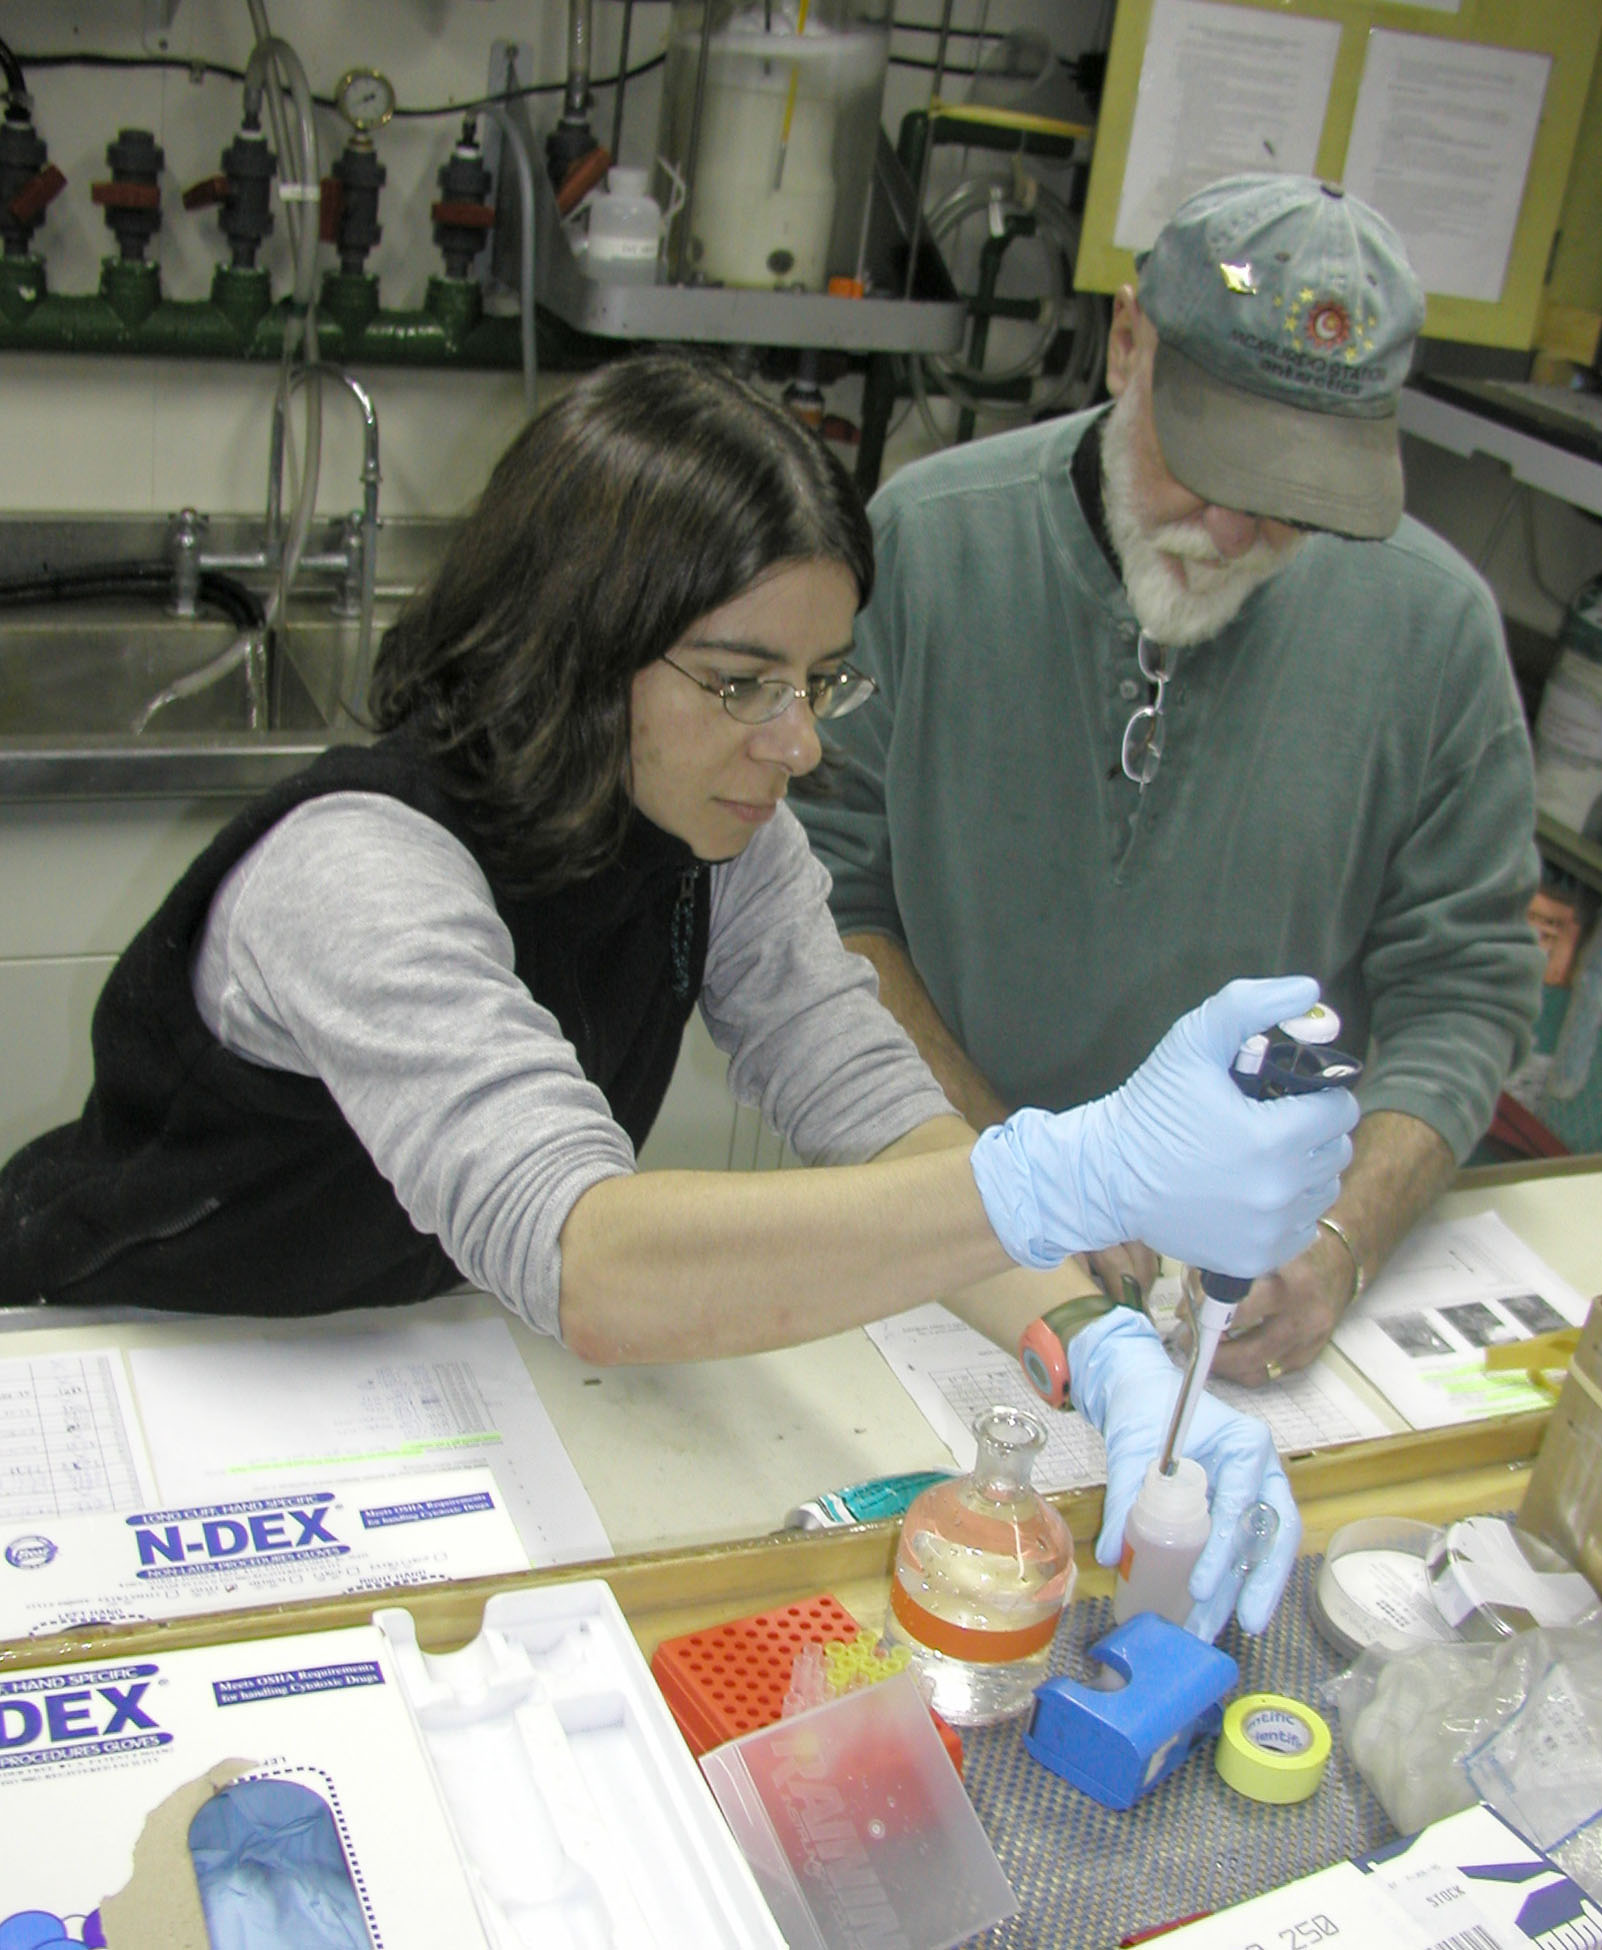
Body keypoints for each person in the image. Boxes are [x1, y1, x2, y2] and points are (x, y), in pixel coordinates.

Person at [0, 351, 1358, 1639]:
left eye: (817, 678)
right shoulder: (359, 869)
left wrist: (1088, 1336)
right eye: (742, 682)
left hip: (395, 1356)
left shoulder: (723, 830)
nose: (801, 739)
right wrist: (1072, 1172)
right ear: (581, 647)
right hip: (149, 1368)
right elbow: (593, 1259)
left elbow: (875, 1109)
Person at [795, 173, 1544, 1388]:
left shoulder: (1431, 627)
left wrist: (1344, 1240)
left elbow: (1464, 986)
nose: (1238, 529)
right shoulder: (930, 547)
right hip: (930, 1208)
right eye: (1211, 461)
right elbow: (824, 914)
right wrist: (1027, 1180)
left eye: (1299, 496)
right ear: (1126, 339)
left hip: (1240, 1288)